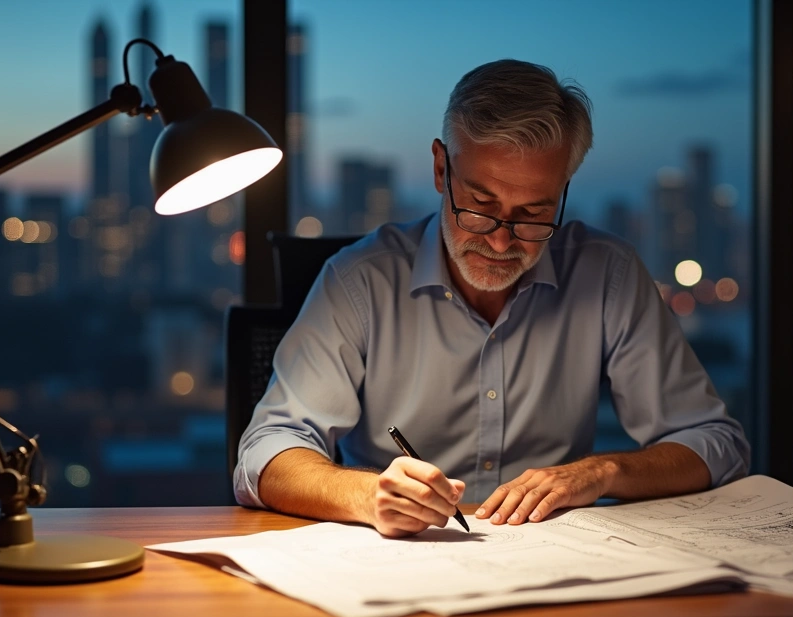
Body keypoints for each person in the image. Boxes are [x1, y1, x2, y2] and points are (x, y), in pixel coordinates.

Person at [235, 59, 750, 537]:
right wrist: (368, 495)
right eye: (480, 206)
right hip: (402, 568)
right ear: (441, 170)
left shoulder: (607, 275)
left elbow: (716, 444)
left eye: (531, 214)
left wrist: (604, 471)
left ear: (564, 191)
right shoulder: (358, 279)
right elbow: (266, 454)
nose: (501, 241)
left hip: (559, 569)